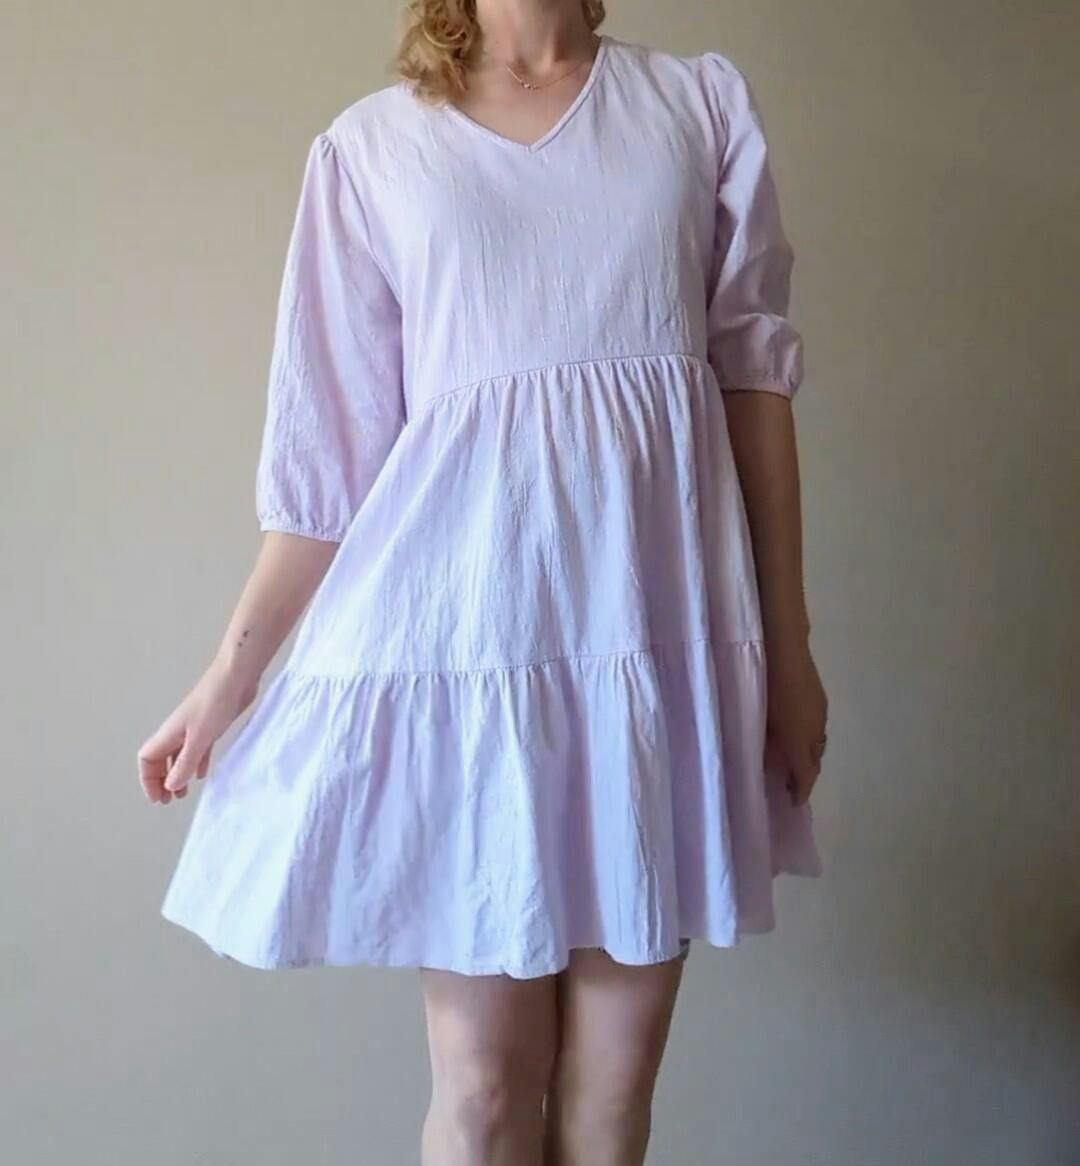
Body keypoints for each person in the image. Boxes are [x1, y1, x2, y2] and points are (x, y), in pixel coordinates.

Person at [138, 2, 827, 1161]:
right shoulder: (372, 147)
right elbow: (328, 465)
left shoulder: (694, 107)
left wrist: (792, 649)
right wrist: (226, 679)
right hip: (465, 665)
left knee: (612, 1098)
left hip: (652, 650)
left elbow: (754, 382)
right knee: (487, 1092)